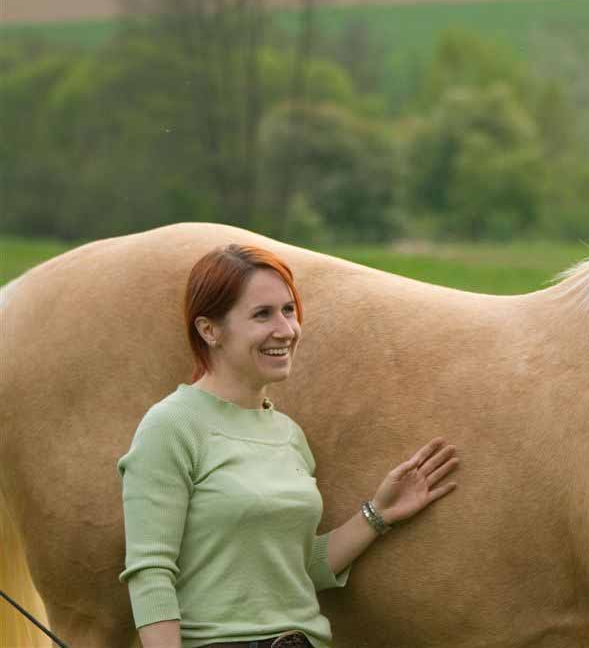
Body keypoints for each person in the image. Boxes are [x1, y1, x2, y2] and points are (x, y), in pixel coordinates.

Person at [117, 244, 459, 648]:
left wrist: (377, 514)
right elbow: (151, 571)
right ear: (209, 330)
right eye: (262, 314)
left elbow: (294, 570)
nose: (286, 330)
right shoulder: (171, 426)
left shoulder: (289, 434)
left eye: (288, 310)